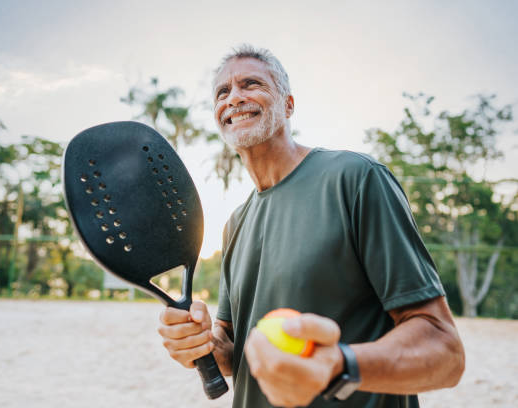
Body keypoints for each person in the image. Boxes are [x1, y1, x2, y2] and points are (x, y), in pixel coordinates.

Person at [157, 44, 465, 408]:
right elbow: (234, 353)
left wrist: (340, 367)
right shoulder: (235, 223)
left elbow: (445, 351)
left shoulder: (355, 179)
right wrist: (201, 344)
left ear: (288, 104)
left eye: (251, 84)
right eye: (222, 92)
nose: (234, 98)